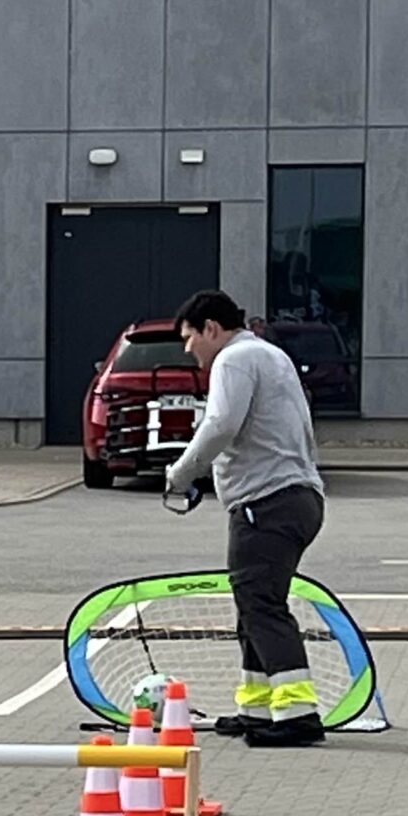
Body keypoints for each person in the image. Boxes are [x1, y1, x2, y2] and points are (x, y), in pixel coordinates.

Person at [166, 288, 329, 749]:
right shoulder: (270, 354)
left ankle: (297, 714)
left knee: (262, 606)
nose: (188, 349)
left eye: (189, 337)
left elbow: (221, 424)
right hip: (295, 498)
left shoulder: (233, 360)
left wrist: (180, 474)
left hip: (266, 502)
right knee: (254, 605)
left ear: (211, 329)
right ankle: (256, 708)